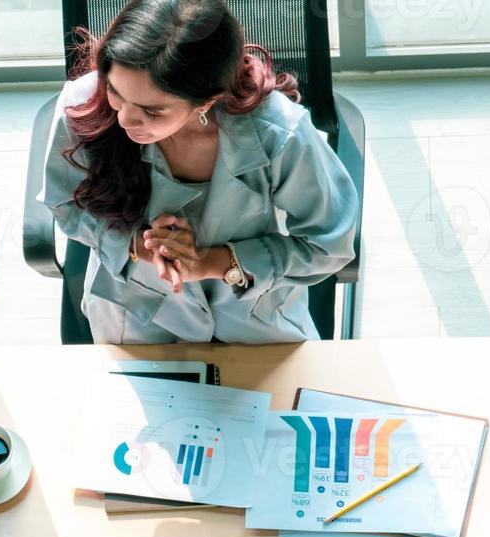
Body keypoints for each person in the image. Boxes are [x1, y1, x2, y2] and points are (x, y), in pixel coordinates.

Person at [40, 0, 358, 345]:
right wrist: (136, 246)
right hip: (133, 315)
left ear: (207, 101)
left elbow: (329, 244)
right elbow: (66, 202)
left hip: (255, 322)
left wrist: (211, 263)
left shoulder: (279, 133)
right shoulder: (82, 103)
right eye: (115, 91)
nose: (124, 119)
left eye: (152, 111)